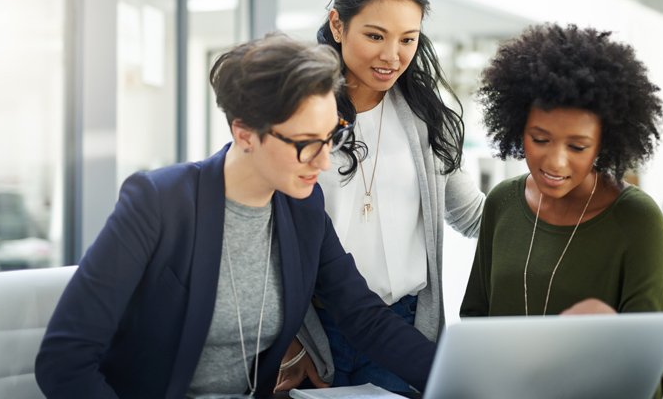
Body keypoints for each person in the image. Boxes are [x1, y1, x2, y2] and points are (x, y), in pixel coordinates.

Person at [34, 33, 437, 399]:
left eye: (332, 136)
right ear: (244, 134)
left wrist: (459, 374)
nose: (326, 161)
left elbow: (363, 317)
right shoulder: (158, 203)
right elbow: (63, 361)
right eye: (307, 143)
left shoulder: (303, 208)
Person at [275, 0, 485, 392]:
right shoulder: (297, 115)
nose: (392, 55)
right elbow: (265, 234)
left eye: (408, 39)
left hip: (403, 327)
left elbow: (473, 215)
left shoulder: (428, 120)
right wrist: (290, 342)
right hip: (317, 332)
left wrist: (564, 202)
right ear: (338, 24)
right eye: (375, 36)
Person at [460, 23, 663, 398]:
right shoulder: (501, 203)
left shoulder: (637, 221)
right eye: (540, 139)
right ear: (516, 127)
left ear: (605, 144)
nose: (555, 162)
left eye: (577, 147)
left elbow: (648, 373)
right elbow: (475, 321)